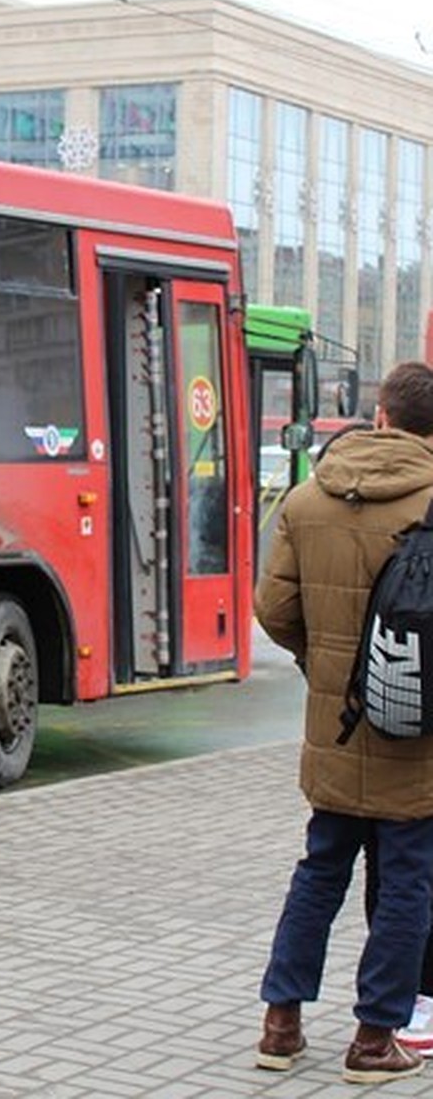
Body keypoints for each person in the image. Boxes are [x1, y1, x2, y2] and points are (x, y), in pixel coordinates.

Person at [255, 361, 433, 1084]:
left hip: (334, 723)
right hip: (417, 729)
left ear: (380, 415)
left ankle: (280, 1024)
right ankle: (372, 1038)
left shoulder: (305, 499)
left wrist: (324, 664)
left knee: (320, 870)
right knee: (408, 882)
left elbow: (273, 610)